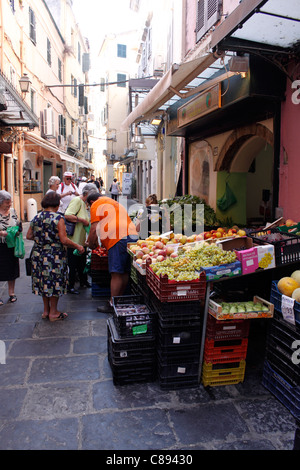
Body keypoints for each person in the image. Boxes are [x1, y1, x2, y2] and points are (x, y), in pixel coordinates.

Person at [26, 191, 85, 321]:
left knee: (44, 282)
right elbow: (64, 240)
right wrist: (77, 246)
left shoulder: (37, 217)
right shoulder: (58, 218)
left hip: (38, 254)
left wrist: (42, 239)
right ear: (57, 205)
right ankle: (54, 312)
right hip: (54, 256)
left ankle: (46, 311)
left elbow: (29, 236)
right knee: (54, 282)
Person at [87, 192, 138, 313]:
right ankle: (118, 300)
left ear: (90, 202)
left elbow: (94, 228)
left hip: (117, 238)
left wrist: (90, 243)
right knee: (124, 271)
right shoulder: (113, 202)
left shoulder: (95, 205)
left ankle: (112, 304)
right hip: (131, 236)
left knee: (115, 273)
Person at [64, 183, 98, 294]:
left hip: (81, 239)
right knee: (73, 264)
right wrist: (83, 220)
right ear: (87, 193)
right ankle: (70, 286)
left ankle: (83, 282)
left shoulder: (84, 203)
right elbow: (68, 215)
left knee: (81, 262)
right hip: (73, 239)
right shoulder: (77, 201)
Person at [0, 190, 21, 305]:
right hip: (0, 245)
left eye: (10, 202)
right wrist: (1, 233)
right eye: (7, 202)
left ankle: (11, 293)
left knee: (12, 269)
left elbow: (18, 224)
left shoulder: (12, 211)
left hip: (11, 245)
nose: (9, 204)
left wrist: (17, 230)